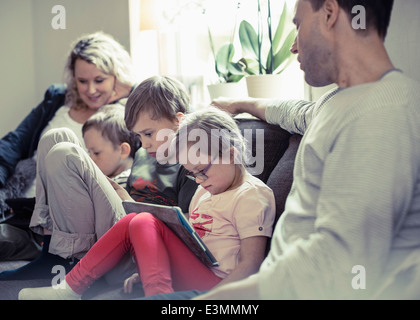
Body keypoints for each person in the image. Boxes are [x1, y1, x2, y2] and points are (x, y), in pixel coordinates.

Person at [132, 0, 420, 300]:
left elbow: (339, 261)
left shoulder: (381, 113)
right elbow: (289, 111)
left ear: (330, 13)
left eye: (297, 25)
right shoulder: (334, 103)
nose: (294, 46)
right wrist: (240, 103)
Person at [18, 106, 276, 300]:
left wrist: (211, 299)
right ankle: (74, 288)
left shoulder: (251, 195)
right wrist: (145, 269)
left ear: (230, 154)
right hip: (193, 270)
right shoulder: (205, 191)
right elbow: (189, 245)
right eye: (192, 173)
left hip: (215, 283)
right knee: (138, 219)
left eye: (202, 171)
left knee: (141, 220)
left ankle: (81, 290)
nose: (198, 180)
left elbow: (251, 265)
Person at [0, 76, 197, 295]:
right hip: (117, 231)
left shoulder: (192, 165)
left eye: (149, 134)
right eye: (139, 135)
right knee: (55, 138)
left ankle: (70, 262)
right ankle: (52, 254)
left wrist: (129, 202)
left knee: (67, 154)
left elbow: (189, 229)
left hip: (139, 247)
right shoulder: (144, 154)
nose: (144, 143)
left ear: (179, 122)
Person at [0, 31, 136, 262]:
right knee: (56, 136)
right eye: (82, 81)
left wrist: (131, 91)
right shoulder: (57, 99)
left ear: (116, 77)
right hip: (25, 210)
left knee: (63, 147)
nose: (91, 90)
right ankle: (41, 242)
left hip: (72, 214)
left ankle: (51, 247)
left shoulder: (125, 114)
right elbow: (13, 144)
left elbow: (171, 117)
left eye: (100, 80)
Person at [82, 104, 141, 189]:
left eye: (96, 153)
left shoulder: (125, 184)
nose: (90, 159)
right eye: (88, 151)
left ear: (123, 151)